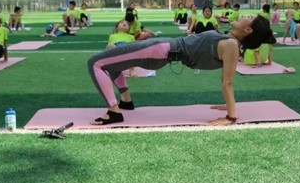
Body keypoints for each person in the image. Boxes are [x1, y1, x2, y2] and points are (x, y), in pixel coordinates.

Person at [87, 14, 276, 126]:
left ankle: (114, 112)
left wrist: (231, 117)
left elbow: (227, 82)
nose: (243, 16)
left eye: (248, 18)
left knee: (96, 63)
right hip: (162, 48)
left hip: (159, 51)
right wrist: (229, 104)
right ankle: (126, 102)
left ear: (249, 30)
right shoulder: (229, 40)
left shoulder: (232, 46)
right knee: (111, 61)